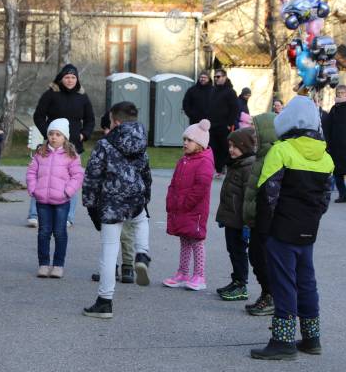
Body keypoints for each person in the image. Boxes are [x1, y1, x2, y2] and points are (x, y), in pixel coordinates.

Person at [250, 96, 334, 361]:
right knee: (306, 281)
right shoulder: (326, 157)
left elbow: (268, 195)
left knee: (283, 282)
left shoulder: (281, 151)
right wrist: (309, 222)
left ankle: (283, 341)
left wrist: (264, 231)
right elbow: (324, 201)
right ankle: (311, 338)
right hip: (308, 231)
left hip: (281, 231)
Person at [82, 101, 152, 319]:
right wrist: (145, 197)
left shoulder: (105, 144)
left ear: (117, 121)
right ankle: (142, 254)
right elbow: (145, 172)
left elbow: (92, 176)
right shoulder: (142, 142)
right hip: (134, 197)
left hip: (111, 201)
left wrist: (91, 206)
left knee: (109, 250)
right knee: (141, 220)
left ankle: (105, 301)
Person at [29, 64, 95, 228]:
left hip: (73, 146)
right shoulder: (51, 94)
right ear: (61, 78)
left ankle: (68, 217)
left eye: (73, 77)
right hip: (50, 146)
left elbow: (90, 120)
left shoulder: (82, 97)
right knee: (42, 176)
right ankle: (34, 214)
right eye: (67, 77)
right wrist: (48, 134)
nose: (70, 80)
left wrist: (83, 134)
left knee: (71, 180)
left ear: (77, 79)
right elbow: (38, 116)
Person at [26, 118, 84, 278]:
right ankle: (43, 264)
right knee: (44, 232)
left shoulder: (71, 155)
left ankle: (58, 265)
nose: (54, 137)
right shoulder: (40, 153)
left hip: (61, 201)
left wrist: (68, 191)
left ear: (64, 137)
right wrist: (33, 188)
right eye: (51, 134)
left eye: (58, 134)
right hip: (42, 201)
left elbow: (77, 175)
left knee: (60, 232)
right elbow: (31, 172)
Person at [162, 119, 214, 291]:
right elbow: (174, 183)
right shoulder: (183, 160)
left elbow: (201, 187)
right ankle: (182, 272)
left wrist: (185, 203)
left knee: (197, 241)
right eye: (184, 139)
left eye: (189, 140)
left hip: (195, 211)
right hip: (182, 209)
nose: (185, 143)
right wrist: (171, 200)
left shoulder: (204, 162)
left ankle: (199, 276)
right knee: (184, 240)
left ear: (200, 143)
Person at [240, 112, 277, 316]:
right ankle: (266, 293)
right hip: (255, 218)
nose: (253, 135)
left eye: (256, 131)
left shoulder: (272, 155)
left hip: (265, 220)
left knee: (261, 258)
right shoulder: (261, 155)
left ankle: (271, 295)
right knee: (255, 257)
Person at [215, 128, 256, 301]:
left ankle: (241, 285)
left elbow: (250, 197)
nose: (231, 150)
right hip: (232, 218)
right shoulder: (236, 164)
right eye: (230, 146)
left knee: (239, 251)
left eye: (235, 147)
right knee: (232, 250)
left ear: (245, 146)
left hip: (241, 221)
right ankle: (236, 280)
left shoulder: (247, 167)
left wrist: (248, 223)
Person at [209, 69, 239, 175]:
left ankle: (222, 168)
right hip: (213, 125)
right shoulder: (213, 90)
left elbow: (235, 108)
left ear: (224, 77)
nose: (216, 79)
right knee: (212, 147)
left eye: (218, 77)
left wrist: (229, 123)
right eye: (215, 77)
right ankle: (216, 167)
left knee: (224, 147)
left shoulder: (230, 92)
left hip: (224, 125)